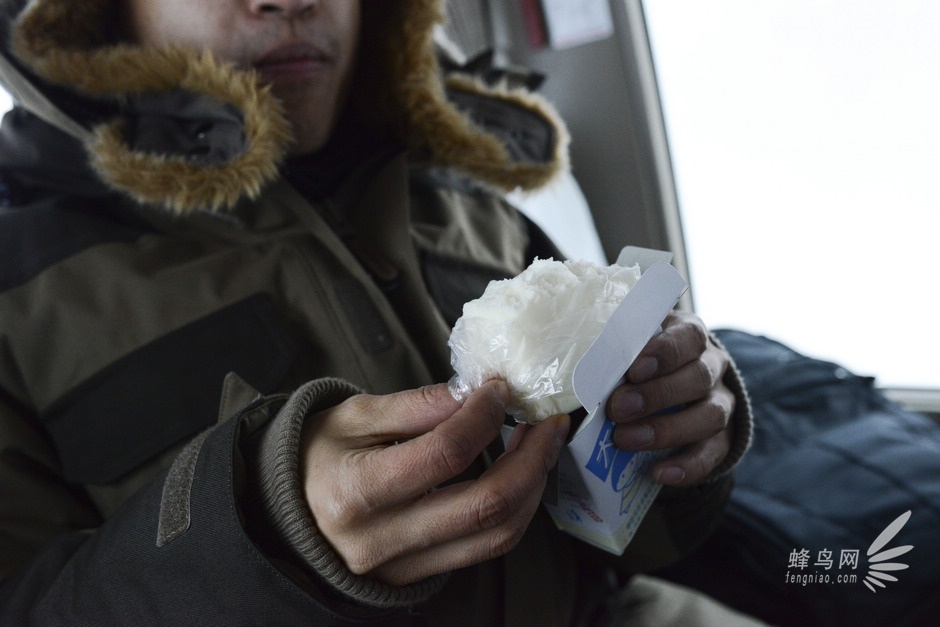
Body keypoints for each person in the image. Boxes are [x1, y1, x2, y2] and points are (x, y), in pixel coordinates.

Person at [0, 0, 756, 623]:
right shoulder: (18, 281)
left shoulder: (474, 203)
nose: (291, 3)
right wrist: (263, 536)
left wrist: (684, 433)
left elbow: (619, 540)